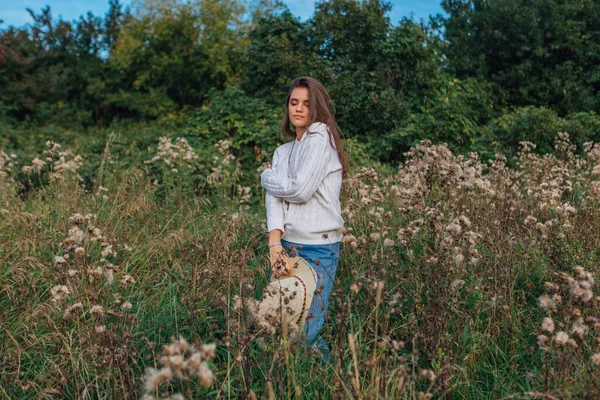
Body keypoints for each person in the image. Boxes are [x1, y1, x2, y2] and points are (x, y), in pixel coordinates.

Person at [260, 76, 349, 358]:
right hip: (287, 247)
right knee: (281, 325)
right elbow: (274, 202)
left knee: (306, 335)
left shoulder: (321, 135)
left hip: (320, 249)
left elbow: (299, 190)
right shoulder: (282, 152)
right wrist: (275, 247)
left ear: (316, 108)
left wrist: (266, 178)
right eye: (293, 102)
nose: (298, 109)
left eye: (307, 104)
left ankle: (334, 383)